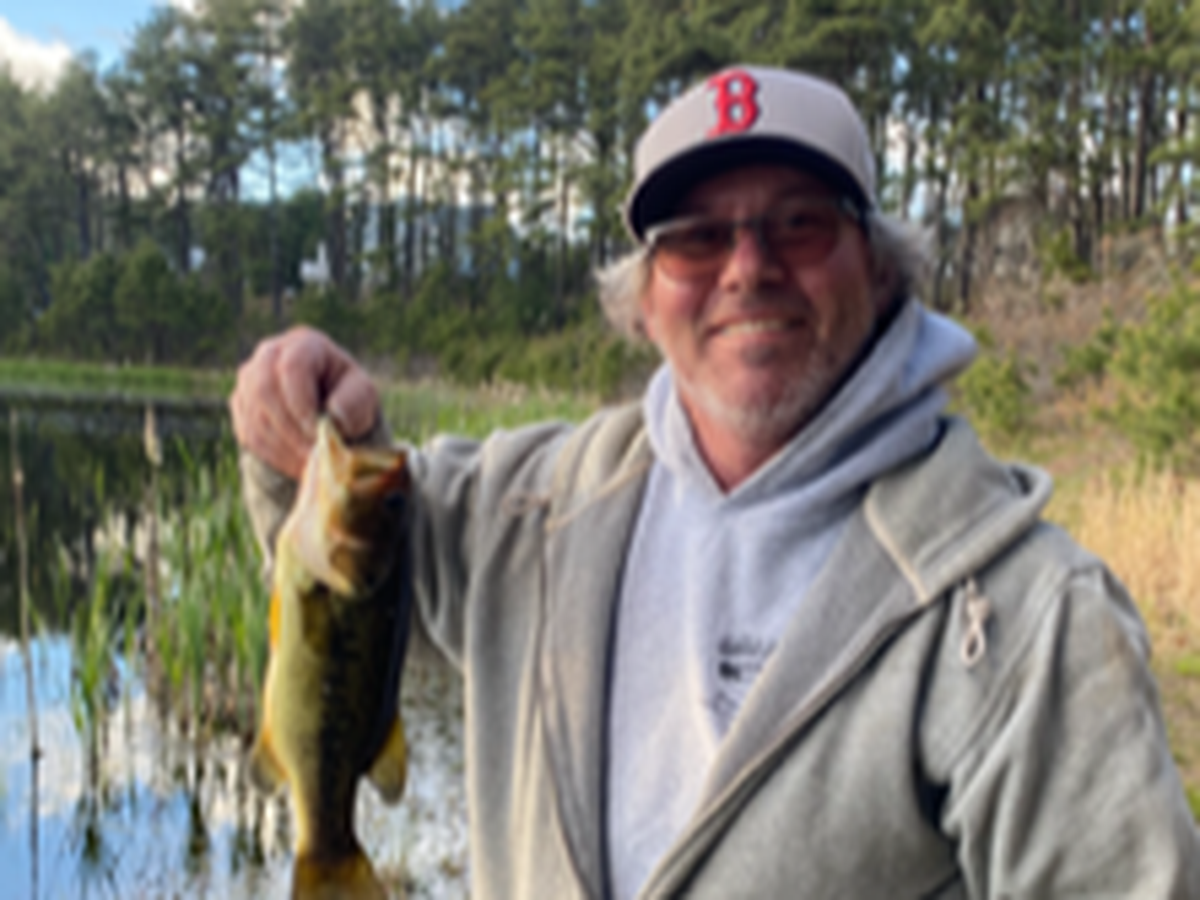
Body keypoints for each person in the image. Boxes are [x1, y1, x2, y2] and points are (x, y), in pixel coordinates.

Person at [231, 65, 1200, 898]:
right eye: (696, 236)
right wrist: (302, 419)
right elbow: (341, 588)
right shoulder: (527, 507)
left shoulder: (1030, 620)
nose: (748, 267)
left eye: (800, 224)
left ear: (881, 271)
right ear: (644, 299)